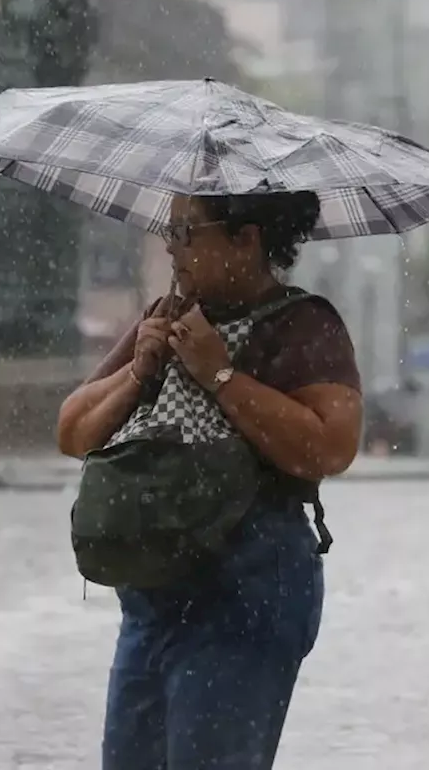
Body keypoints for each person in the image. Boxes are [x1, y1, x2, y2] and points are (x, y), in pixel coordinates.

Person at [56, 190, 362, 770]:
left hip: (246, 596)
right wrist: (139, 371)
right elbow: (73, 432)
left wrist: (218, 371)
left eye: (187, 233)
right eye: (169, 233)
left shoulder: (303, 325)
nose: (173, 249)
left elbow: (329, 447)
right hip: (153, 593)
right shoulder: (164, 318)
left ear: (245, 240)